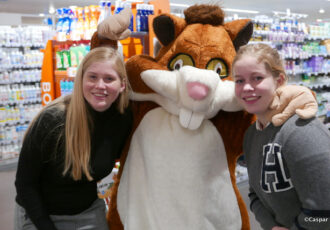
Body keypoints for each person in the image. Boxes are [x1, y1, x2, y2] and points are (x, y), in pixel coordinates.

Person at [14, 46, 133, 230]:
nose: (100, 85)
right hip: (38, 214)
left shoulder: (123, 120)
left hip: (88, 212)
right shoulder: (54, 120)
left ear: (122, 84)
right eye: (92, 77)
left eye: (109, 78)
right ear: (81, 79)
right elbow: (25, 183)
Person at [233, 43, 330, 230]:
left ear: (279, 81)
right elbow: (254, 194)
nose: (246, 88)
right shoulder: (251, 135)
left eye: (257, 78)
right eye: (239, 80)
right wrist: (271, 226)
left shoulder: (302, 130)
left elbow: (325, 216)